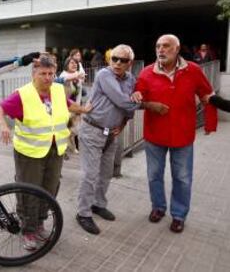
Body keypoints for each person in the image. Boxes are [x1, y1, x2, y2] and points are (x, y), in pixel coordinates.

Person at [0, 53, 92, 250]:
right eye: (43, 73)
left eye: (51, 73)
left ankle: (39, 224)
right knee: (29, 191)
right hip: (29, 153)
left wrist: (84, 109)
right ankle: (27, 230)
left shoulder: (56, 89)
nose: (47, 77)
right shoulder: (23, 94)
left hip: (55, 149)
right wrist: (3, 125)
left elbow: (67, 105)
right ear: (34, 74)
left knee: (49, 189)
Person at [132, 34, 218, 233]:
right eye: (158, 46)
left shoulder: (193, 70)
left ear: (177, 49)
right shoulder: (146, 73)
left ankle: (179, 215)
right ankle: (158, 207)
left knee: (182, 177)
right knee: (154, 175)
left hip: (183, 135)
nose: (161, 50)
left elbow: (207, 94)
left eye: (166, 46)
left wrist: (211, 121)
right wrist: (143, 101)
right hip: (154, 135)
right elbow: (137, 97)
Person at [76, 45, 157, 235]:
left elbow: (127, 107)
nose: (117, 63)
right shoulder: (104, 75)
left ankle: (98, 204)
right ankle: (83, 213)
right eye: (114, 59)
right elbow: (121, 100)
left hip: (111, 133)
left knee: (106, 173)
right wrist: (148, 105)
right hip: (92, 130)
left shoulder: (130, 78)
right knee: (90, 174)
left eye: (123, 60)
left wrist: (124, 123)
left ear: (130, 63)